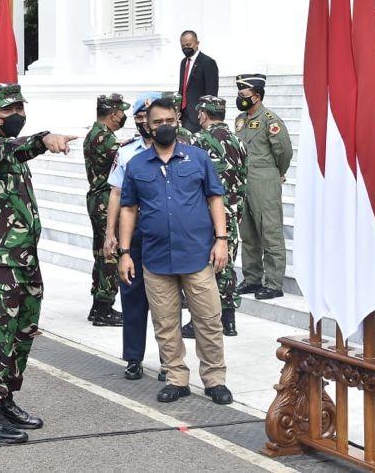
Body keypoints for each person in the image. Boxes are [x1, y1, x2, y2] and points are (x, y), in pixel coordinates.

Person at [0, 83, 76, 444]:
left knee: (21, 333)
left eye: (19, 109)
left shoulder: (9, 152)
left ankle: (7, 398)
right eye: (9, 111)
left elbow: (17, 152)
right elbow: (14, 147)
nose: (17, 116)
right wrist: (44, 139)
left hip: (23, 259)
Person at [118, 97, 233, 406]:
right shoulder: (137, 164)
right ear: (147, 125)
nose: (164, 127)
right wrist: (125, 252)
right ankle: (176, 378)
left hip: (196, 255)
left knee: (208, 320)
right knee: (165, 323)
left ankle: (214, 379)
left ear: (177, 121)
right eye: (158, 123)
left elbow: (215, 199)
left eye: (169, 121)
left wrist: (221, 239)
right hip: (155, 259)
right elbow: (128, 209)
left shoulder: (197, 158)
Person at [104, 92, 162, 382]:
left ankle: (170, 361)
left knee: (168, 300)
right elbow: (116, 193)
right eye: (141, 118)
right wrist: (109, 233)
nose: (147, 123)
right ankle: (134, 357)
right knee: (132, 295)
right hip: (135, 232)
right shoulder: (127, 151)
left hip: (165, 234)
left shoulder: (182, 148)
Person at [189, 95, 247, 337]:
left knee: (203, 269)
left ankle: (202, 321)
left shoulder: (199, 140)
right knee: (227, 266)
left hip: (207, 214)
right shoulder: (239, 141)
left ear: (203, 114)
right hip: (232, 214)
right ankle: (229, 320)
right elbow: (243, 181)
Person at [233, 74, 292, 300]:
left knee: (270, 231)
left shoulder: (270, 120)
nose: (240, 98)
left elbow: (284, 152)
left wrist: (277, 172)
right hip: (244, 181)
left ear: (256, 96)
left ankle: (274, 283)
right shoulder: (240, 120)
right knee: (247, 232)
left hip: (264, 180)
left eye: (244, 95)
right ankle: (252, 278)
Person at [83, 93, 130, 327]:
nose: (124, 116)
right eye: (122, 112)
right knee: (110, 254)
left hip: (98, 198)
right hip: (105, 199)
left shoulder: (97, 134)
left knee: (102, 254)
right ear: (113, 114)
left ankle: (98, 305)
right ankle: (104, 306)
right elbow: (127, 158)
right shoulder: (104, 138)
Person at [178, 31, 219, 133]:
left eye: (188, 45)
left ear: (197, 43)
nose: (185, 48)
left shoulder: (208, 62)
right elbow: (182, 88)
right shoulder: (183, 62)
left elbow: (211, 93)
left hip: (199, 116)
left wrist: (206, 115)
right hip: (184, 115)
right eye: (183, 46)